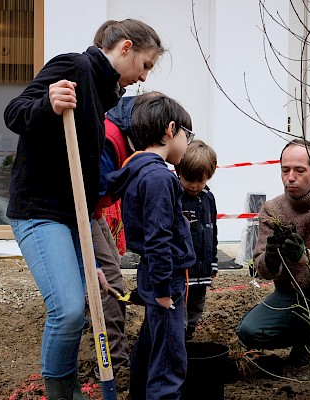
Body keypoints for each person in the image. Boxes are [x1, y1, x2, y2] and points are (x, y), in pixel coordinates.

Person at [3, 19, 164, 400]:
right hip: (39, 211)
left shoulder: (102, 95)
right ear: (126, 48)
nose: (143, 78)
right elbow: (15, 112)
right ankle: (60, 392)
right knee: (69, 310)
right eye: (145, 65)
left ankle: (70, 385)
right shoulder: (75, 67)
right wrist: (47, 103)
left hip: (71, 217)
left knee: (88, 296)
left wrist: (88, 256)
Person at [236, 138, 310, 400]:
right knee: (249, 331)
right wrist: (272, 257)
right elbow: (263, 270)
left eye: (299, 171)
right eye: (285, 170)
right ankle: (307, 337)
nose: (291, 177)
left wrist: (306, 258)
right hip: (292, 295)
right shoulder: (272, 209)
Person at [106, 93, 197, 400]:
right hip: (165, 279)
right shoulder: (160, 178)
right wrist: (162, 291)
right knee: (169, 359)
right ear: (171, 130)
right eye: (188, 135)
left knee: (150, 345)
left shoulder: (139, 170)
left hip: (154, 273)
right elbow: (159, 238)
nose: (188, 143)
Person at [90, 92, 161, 374]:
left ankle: (109, 345)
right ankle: (113, 363)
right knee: (109, 283)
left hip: (93, 212)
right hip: (81, 213)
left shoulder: (123, 134)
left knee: (112, 275)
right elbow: (91, 191)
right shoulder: (110, 138)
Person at [176, 139, 218, 341]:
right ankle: (180, 335)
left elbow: (213, 231)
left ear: (209, 176)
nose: (193, 186)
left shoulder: (209, 198)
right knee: (181, 304)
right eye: (188, 179)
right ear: (179, 172)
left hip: (203, 267)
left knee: (197, 302)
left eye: (199, 181)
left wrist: (213, 262)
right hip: (183, 269)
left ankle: (190, 333)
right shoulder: (175, 197)